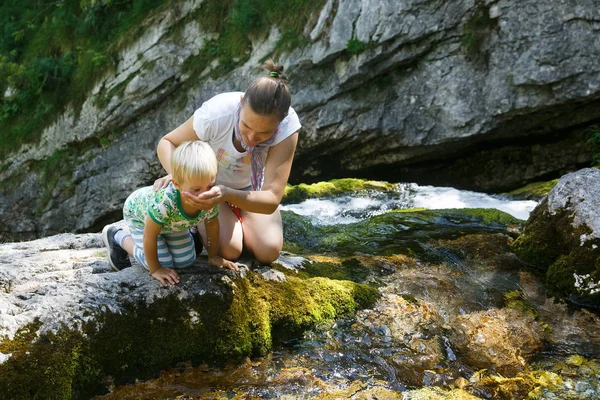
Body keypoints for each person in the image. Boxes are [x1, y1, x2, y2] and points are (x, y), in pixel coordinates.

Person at [153, 59, 301, 264]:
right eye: (246, 126)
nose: (250, 138)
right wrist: (179, 176)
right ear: (240, 105)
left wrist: (228, 194)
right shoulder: (217, 113)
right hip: (208, 187)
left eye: (263, 133)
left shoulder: (287, 129)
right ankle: (200, 228)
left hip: (250, 190)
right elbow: (167, 142)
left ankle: (235, 223)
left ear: (281, 122)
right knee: (230, 251)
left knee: (268, 251)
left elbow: (271, 200)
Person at [102, 141, 238, 287]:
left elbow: (212, 225)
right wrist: (155, 269)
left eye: (210, 186)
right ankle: (117, 237)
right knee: (163, 262)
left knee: (186, 261)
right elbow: (150, 235)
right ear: (177, 185)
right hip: (141, 218)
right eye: (196, 190)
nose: (204, 195)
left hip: (170, 224)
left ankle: (186, 234)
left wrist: (213, 256)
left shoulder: (210, 197)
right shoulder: (165, 202)